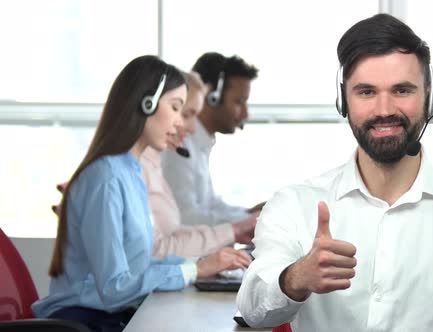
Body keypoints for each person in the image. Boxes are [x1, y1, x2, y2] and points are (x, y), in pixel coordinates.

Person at [237, 13, 433, 331]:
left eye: (402, 90)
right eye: (366, 92)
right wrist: (296, 277)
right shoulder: (294, 204)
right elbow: (254, 312)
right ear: (343, 100)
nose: (384, 110)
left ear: (428, 96)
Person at [32, 55, 249, 332]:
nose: (181, 124)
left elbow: (140, 262)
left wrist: (201, 263)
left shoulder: (131, 173)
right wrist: (195, 270)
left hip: (111, 313)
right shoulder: (106, 178)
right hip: (85, 319)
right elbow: (114, 287)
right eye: (175, 107)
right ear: (146, 104)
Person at [141, 70, 256, 258]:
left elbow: (175, 232)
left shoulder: (154, 164)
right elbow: (157, 248)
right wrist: (235, 229)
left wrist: (245, 218)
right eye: (186, 113)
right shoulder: (170, 155)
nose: (191, 127)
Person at [161, 52, 263, 228]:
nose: (245, 114)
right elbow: (185, 219)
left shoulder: (199, 144)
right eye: (239, 102)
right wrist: (247, 222)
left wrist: (248, 214)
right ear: (211, 97)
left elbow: (209, 204)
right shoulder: (178, 147)